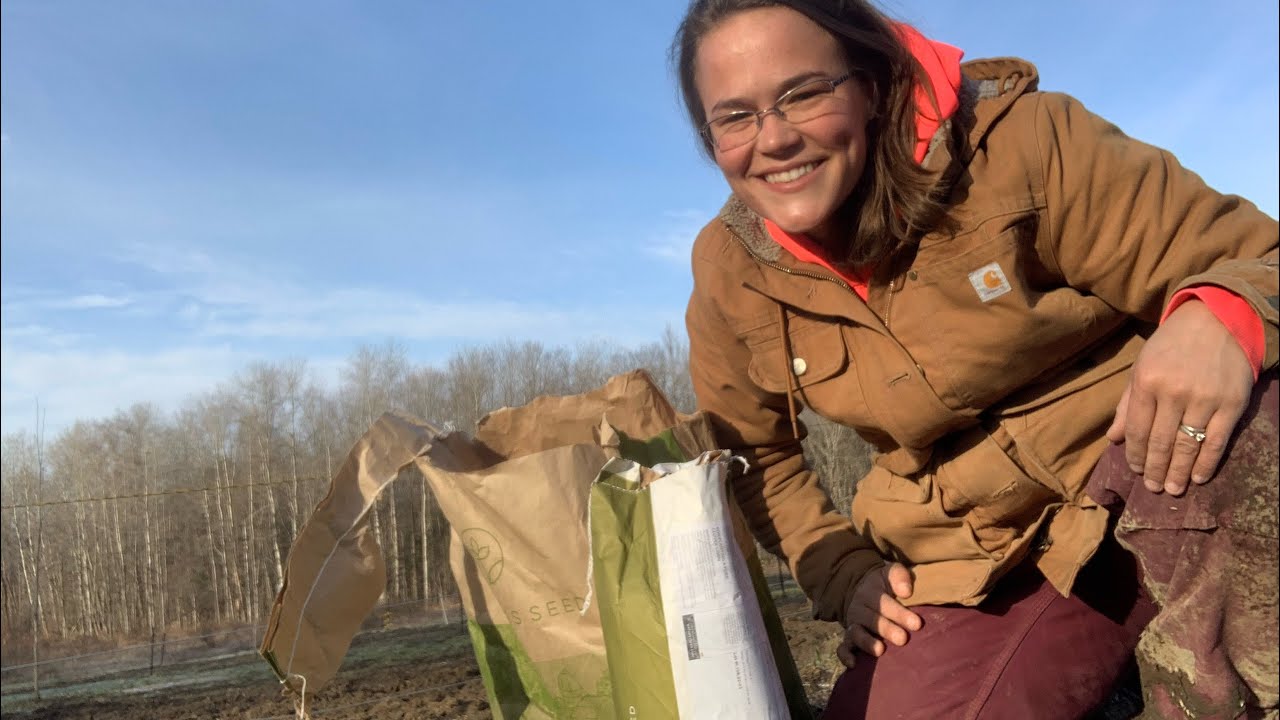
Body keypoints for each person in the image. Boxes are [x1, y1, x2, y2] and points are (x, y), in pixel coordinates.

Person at [672, 1, 1279, 717]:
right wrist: (844, 572)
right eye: (735, 117)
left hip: (1151, 468)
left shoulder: (1019, 143)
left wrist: (1217, 312)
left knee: (1257, 402)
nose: (772, 138)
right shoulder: (730, 272)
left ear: (868, 86)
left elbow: (1255, 255)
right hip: (976, 550)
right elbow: (755, 457)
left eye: (803, 93)